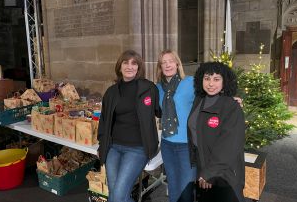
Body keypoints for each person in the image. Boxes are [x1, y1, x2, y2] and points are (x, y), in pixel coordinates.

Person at [97, 50, 161, 202]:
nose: (129, 67)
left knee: (118, 196)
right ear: (120, 67)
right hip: (114, 147)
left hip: (138, 148)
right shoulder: (111, 92)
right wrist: (102, 145)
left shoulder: (149, 88)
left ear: (139, 68)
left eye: (134, 63)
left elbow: (161, 110)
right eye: (126, 63)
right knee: (115, 194)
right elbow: (104, 120)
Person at [188, 62, 246, 202]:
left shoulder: (231, 107)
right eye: (207, 78)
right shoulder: (199, 101)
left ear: (224, 81)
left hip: (223, 171)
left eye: (216, 79)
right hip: (204, 164)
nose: (210, 84)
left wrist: (210, 173)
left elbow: (229, 145)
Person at [156, 50, 197, 202]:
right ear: (160, 67)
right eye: (163, 62)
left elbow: (210, 97)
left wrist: (230, 99)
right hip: (167, 144)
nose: (167, 65)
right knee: (173, 187)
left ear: (177, 63)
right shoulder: (158, 88)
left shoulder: (191, 82)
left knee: (186, 189)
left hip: (186, 145)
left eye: (171, 61)